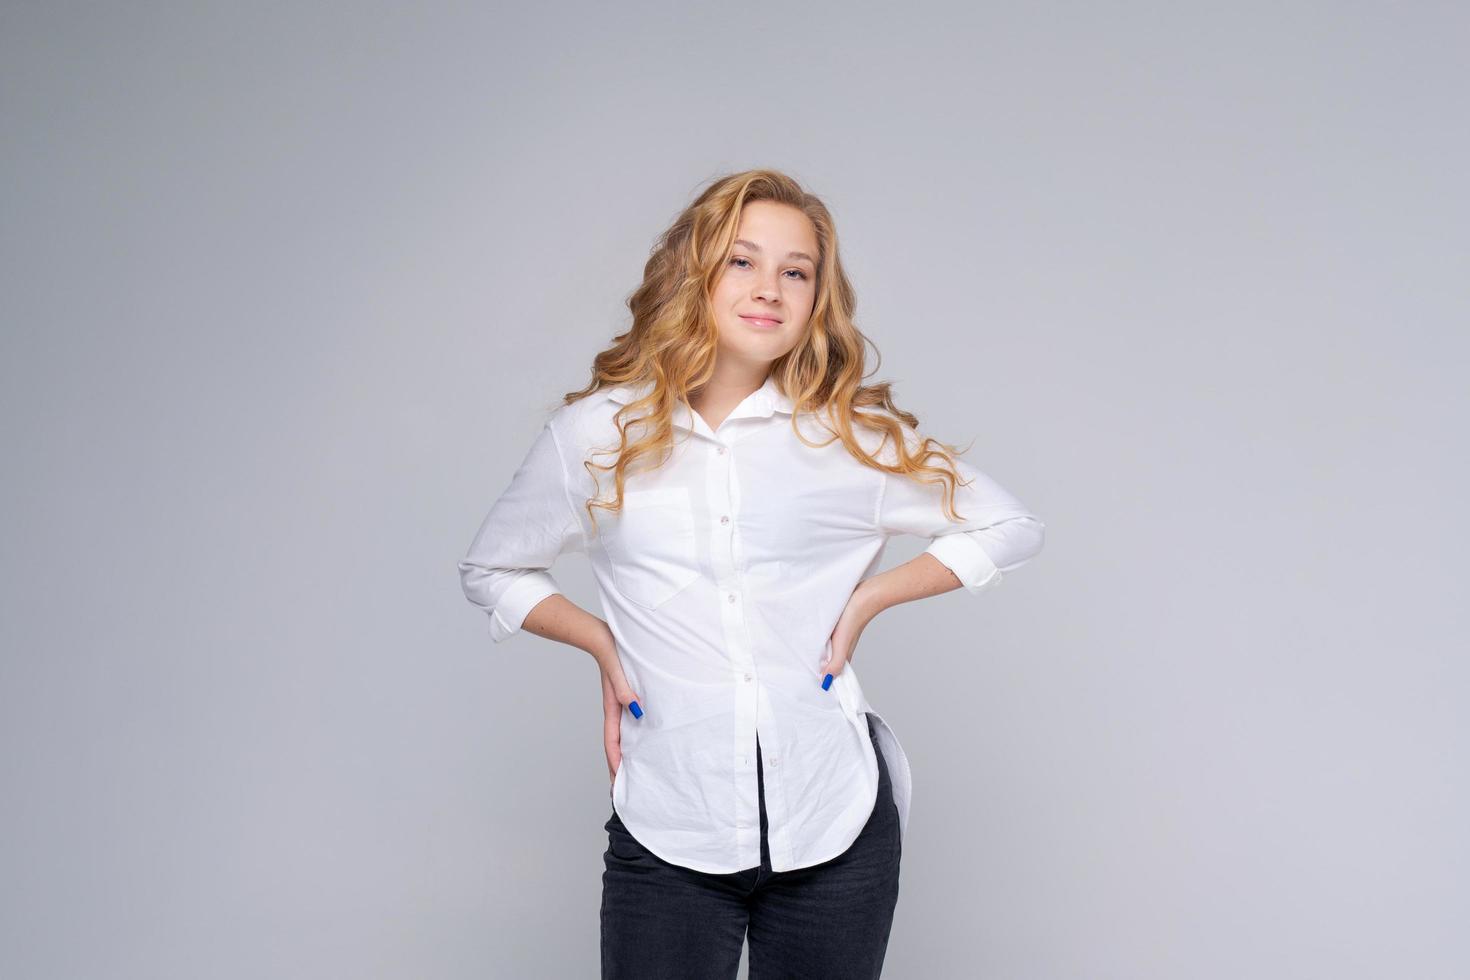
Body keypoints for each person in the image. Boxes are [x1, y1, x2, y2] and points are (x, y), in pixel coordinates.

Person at [458, 168, 1045, 979]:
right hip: (671, 819)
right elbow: (493, 568)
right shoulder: (597, 434)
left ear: (816, 297)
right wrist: (601, 641)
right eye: (742, 261)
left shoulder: (849, 438)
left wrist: (871, 596)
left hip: (835, 821)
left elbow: (1011, 525)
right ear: (693, 272)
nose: (770, 288)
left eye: (796, 271)